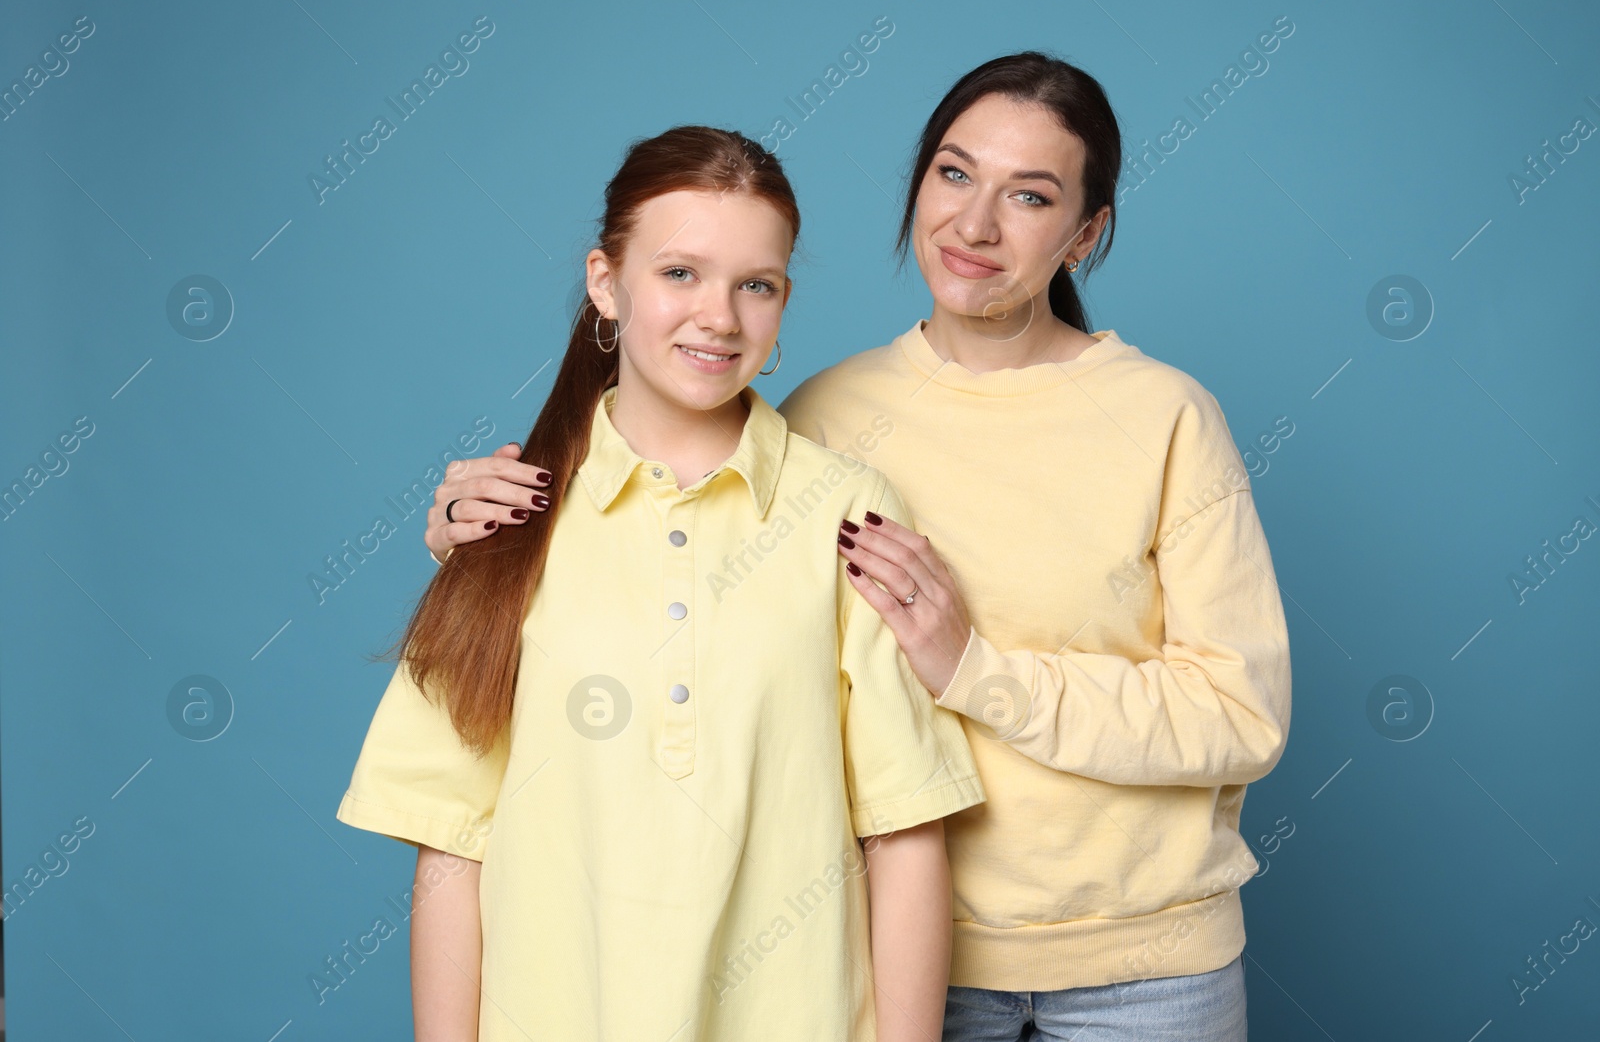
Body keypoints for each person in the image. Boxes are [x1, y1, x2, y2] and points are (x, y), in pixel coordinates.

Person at [424, 53, 1291, 1041]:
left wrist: (977, 670)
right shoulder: (824, 421)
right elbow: (665, 605)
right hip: (895, 962)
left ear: (1085, 234)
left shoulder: (1167, 416)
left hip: (1144, 973)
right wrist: (479, 541)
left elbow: (1239, 715)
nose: (974, 224)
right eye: (954, 174)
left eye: (1031, 195)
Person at [337, 124, 985, 1042]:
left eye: (754, 284)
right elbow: (450, 842)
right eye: (680, 272)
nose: (719, 316)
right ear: (608, 282)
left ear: (783, 301)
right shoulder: (503, 522)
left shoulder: (848, 510)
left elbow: (906, 828)